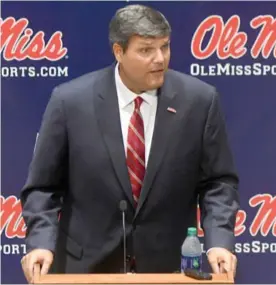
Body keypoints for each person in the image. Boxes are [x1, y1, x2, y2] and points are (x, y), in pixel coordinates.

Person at [20, 4, 239, 283]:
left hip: (169, 269)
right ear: (119, 52)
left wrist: (220, 240)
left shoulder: (199, 101)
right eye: (146, 50)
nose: (160, 58)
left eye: (165, 47)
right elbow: (42, 187)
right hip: (86, 268)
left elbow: (218, 183)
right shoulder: (70, 103)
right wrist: (40, 242)